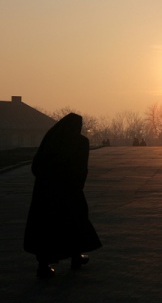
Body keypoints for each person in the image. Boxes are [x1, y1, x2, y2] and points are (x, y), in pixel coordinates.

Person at [24, 113, 102, 279]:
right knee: (75, 221)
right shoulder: (80, 143)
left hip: (45, 193)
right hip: (69, 191)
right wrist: (77, 187)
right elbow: (81, 169)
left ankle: (44, 265)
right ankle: (75, 256)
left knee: (46, 228)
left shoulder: (51, 141)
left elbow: (36, 166)